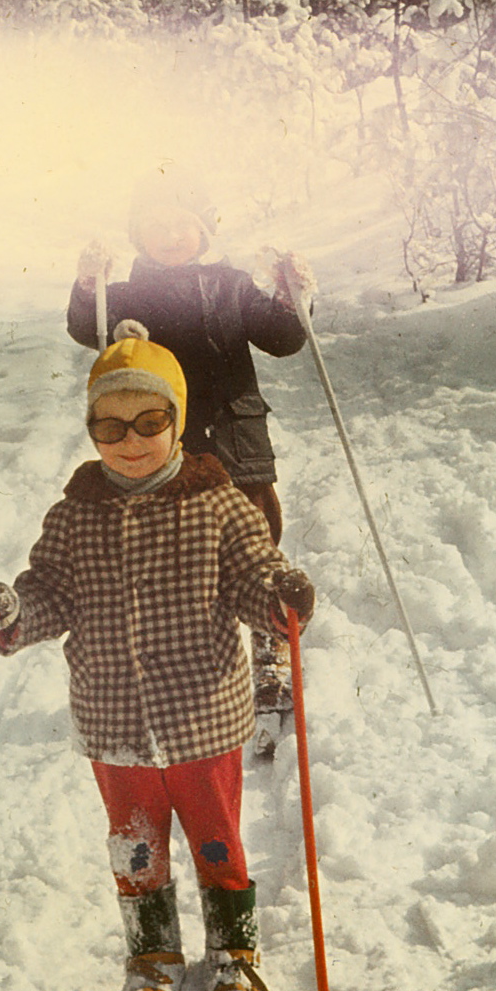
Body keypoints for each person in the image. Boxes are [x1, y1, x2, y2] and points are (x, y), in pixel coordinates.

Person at [0, 332, 315, 991]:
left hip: (202, 717)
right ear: (92, 430)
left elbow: (253, 575)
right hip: (113, 721)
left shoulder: (218, 504)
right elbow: (51, 591)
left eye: (149, 421)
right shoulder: (74, 515)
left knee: (216, 840)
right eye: (110, 427)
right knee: (134, 847)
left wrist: (279, 599)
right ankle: (153, 956)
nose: (130, 441)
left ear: (177, 421)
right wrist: (17, 614)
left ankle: (234, 953)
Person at [66, 167, 316, 756]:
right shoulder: (125, 294)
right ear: (138, 234)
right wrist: (87, 285)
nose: (172, 236)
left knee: (256, 537)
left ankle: (269, 653)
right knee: (171, 552)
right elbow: (88, 330)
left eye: (183, 224)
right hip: (159, 442)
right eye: (157, 226)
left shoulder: (231, 285)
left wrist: (292, 295)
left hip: (233, 437)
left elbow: (283, 339)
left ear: (204, 231)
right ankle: (179, 664)